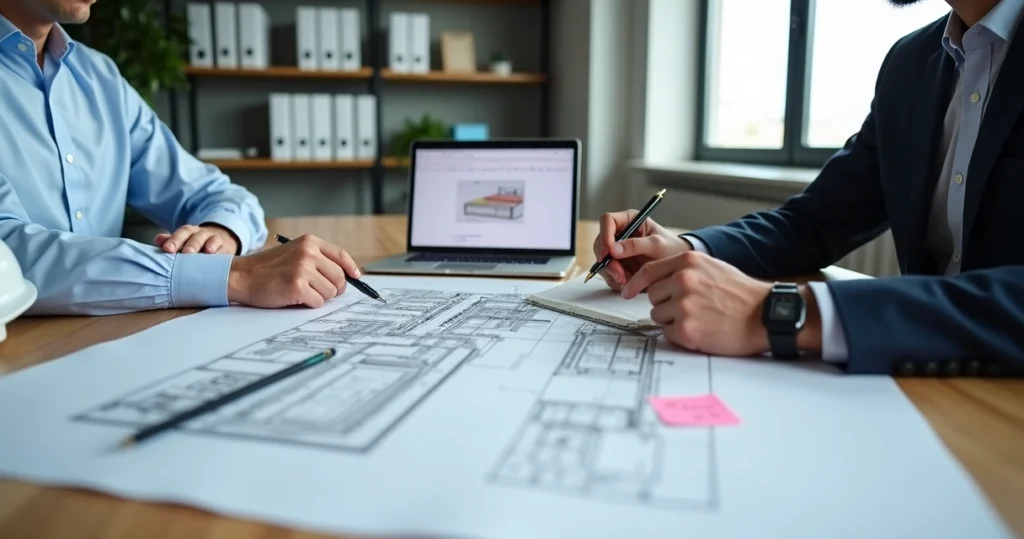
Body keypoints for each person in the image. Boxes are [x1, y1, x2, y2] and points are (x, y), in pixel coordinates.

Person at [594, 0, 1024, 377]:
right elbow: (813, 222)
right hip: (925, 387)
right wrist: (686, 248)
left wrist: (785, 313)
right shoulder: (911, 63)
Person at [0, 0, 361, 315]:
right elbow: (8, 256)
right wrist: (237, 275)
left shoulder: (99, 77)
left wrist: (219, 235)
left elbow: (216, 194)